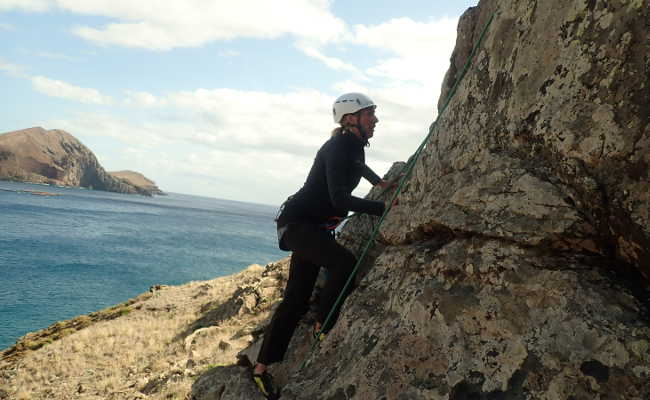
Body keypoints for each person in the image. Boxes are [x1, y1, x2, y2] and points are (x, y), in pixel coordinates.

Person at [252, 93, 394, 398]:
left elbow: (356, 166)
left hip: (308, 227)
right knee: (343, 263)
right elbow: (339, 199)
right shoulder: (338, 146)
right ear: (350, 119)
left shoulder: (352, 146)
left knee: (296, 300)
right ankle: (323, 324)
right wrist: (382, 208)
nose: (376, 120)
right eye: (370, 114)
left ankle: (261, 369)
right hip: (300, 225)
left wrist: (379, 182)